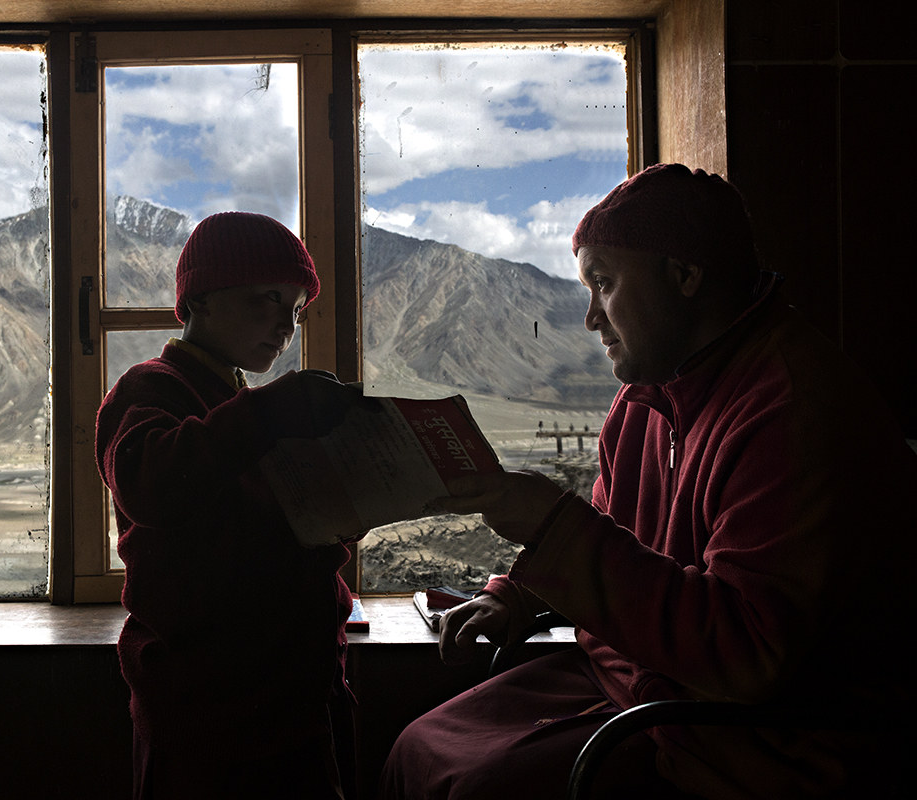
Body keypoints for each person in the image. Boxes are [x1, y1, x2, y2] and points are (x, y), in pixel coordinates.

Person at [379, 163, 917, 799]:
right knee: (417, 748)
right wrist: (518, 597)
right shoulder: (645, 396)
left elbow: (746, 655)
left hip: (743, 736)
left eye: (603, 284)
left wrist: (551, 524)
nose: (589, 319)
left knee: (477, 787)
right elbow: (615, 541)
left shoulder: (795, 408)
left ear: (685, 275)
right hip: (636, 682)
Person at [95, 211, 363, 799]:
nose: (285, 328)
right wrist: (267, 413)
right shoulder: (150, 389)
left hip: (293, 692)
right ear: (200, 299)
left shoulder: (239, 404)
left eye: (295, 311)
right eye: (267, 300)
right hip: (205, 712)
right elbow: (152, 486)